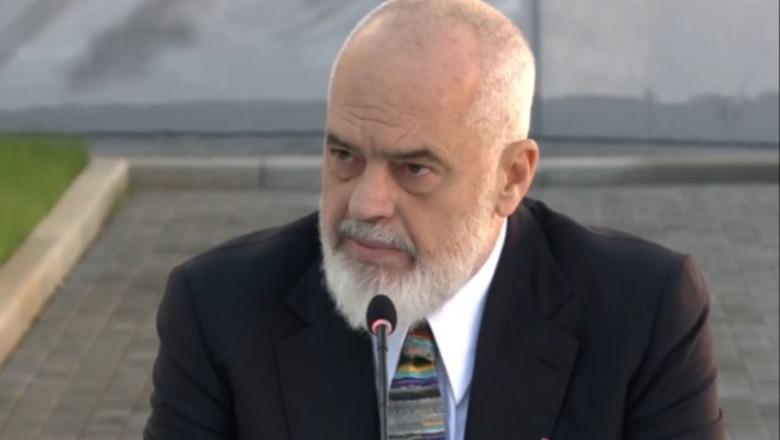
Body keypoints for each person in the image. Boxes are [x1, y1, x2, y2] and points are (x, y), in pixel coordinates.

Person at [143, 1, 725, 439]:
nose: (365, 204)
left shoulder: (643, 311)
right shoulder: (220, 307)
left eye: (414, 169)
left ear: (511, 177)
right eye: (344, 156)